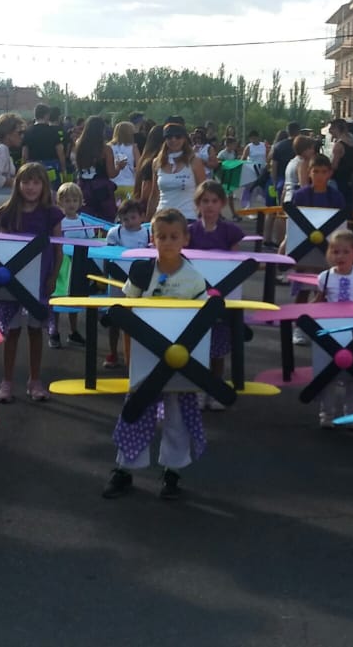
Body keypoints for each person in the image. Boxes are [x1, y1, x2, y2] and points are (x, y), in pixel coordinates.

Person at [103, 208, 209, 501]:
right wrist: (128, 355)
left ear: (185, 239)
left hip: (180, 359)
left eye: (174, 236)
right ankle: (124, 468)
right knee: (135, 411)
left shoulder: (194, 278)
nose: (168, 242)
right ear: (153, 238)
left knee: (178, 415)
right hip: (145, 357)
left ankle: (172, 472)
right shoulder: (141, 271)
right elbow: (127, 310)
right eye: (162, 236)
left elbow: (203, 320)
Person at [0, 162, 63, 403]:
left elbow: (59, 249)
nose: (30, 187)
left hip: (40, 281)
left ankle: (35, 381)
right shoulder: (6, 212)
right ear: (17, 184)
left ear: (44, 185)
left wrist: (53, 277)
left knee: (34, 330)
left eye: (36, 182)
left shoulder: (51, 214)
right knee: (11, 331)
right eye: (25, 182)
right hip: (11, 282)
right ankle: (6, 381)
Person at [309, 227, 353, 428]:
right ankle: (327, 413)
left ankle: (352, 414)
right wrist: (303, 315)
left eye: (346, 251)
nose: (341, 256)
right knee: (327, 374)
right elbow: (319, 301)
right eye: (336, 251)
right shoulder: (325, 277)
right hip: (331, 330)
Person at [188, 180, 244, 408]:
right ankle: (199, 389)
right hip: (195, 297)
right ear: (198, 204)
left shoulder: (230, 231)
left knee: (218, 347)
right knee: (196, 345)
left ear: (221, 204)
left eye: (214, 201)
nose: (209, 206)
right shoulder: (190, 231)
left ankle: (216, 387)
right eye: (205, 201)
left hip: (222, 297)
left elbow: (235, 264)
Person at [103, 198, 149, 370]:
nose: (129, 222)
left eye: (133, 217)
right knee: (115, 318)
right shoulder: (115, 233)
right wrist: (119, 279)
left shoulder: (147, 233)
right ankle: (113, 352)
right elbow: (108, 260)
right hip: (117, 281)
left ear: (142, 217)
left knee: (136, 319)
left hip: (139, 283)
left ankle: (135, 356)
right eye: (125, 219)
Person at [48, 182, 95, 349]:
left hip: (78, 265)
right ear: (60, 202)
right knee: (57, 296)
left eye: (75, 200)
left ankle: (73, 332)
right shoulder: (58, 221)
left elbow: (91, 241)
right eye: (67, 200)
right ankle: (53, 331)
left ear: (80, 202)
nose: (71, 204)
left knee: (75, 298)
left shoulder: (84, 222)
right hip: (62, 264)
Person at [146, 123, 206, 219]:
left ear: (184, 139)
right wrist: (148, 220)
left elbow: (204, 192)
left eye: (178, 137)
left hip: (188, 216)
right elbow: (154, 195)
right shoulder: (157, 162)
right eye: (169, 137)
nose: (174, 140)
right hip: (162, 217)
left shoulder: (194, 161)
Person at [72, 114, 118, 222]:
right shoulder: (105, 149)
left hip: (83, 186)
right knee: (106, 220)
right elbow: (111, 173)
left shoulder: (78, 145)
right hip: (102, 188)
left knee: (85, 219)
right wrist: (119, 167)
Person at [22, 103, 66, 189]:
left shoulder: (28, 132)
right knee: (51, 193)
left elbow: (24, 155)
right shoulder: (53, 132)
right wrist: (64, 170)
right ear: (46, 115)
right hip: (51, 169)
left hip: (32, 169)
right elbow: (60, 153)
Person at [328, 119, 353, 203]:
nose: (330, 132)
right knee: (349, 208)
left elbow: (334, 166)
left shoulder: (338, 145)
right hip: (350, 180)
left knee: (337, 208)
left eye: (331, 129)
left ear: (336, 129)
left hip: (338, 181)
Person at [109, 121, 140, 204]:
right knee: (128, 210)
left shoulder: (109, 147)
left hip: (113, 183)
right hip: (129, 184)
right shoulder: (133, 147)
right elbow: (139, 166)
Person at [240, 129, 268, 210]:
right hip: (252, 170)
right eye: (251, 138)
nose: (253, 140)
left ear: (258, 137)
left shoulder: (263, 145)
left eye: (254, 138)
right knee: (250, 188)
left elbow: (267, 156)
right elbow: (243, 158)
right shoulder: (249, 147)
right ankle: (247, 206)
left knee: (262, 188)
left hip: (262, 170)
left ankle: (266, 205)